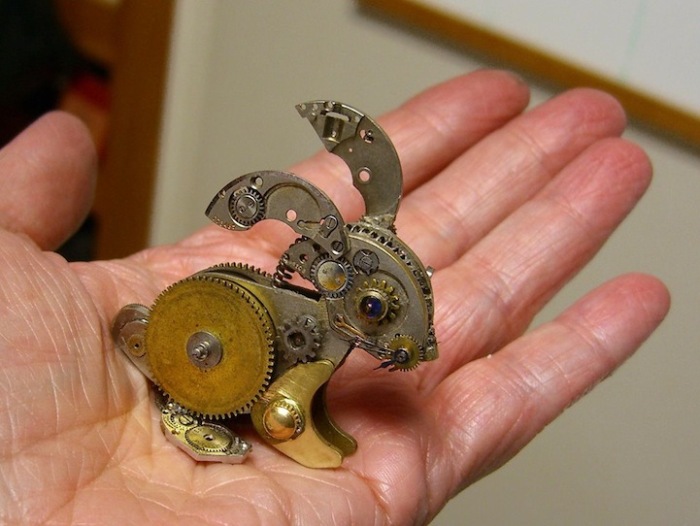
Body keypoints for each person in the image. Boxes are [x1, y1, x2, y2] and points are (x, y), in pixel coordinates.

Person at [0, 70, 669, 524]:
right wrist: (287, 419)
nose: (385, 329)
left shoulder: (334, 329)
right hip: (209, 356)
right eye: (375, 311)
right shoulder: (315, 338)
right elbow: (282, 410)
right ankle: (186, 406)